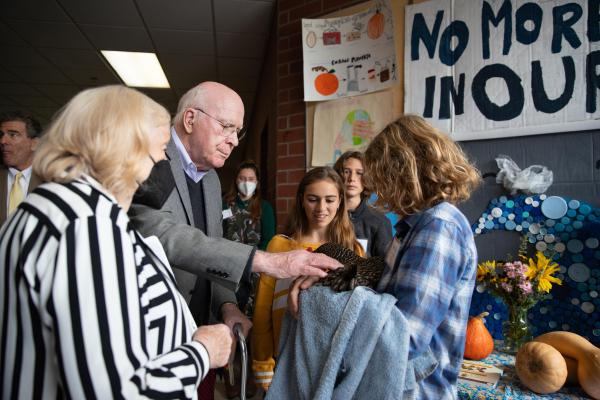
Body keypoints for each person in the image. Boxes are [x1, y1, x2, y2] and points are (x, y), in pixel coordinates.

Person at [0, 85, 233, 400]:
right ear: (124, 145)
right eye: (162, 148)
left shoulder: (45, 207)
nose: (164, 161)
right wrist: (203, 351)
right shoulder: (88, 224)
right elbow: (116, 392)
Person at [128, 82, 340, 397]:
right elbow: (165, 235)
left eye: (237, 132)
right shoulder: (150, 159)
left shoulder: (212, 180)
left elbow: (211, 248)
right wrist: (269, 261)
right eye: (226, 127)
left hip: (204, 336)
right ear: (190, 119)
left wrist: (227, 305)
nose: (232, 141)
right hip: (154, 337)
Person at [290, 115, 481, 398]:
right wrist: (340, 269)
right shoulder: (413, 226)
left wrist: (318, 309)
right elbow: (386, 285)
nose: (379, 189)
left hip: (416, 390)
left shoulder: (439, 228)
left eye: (382, 177)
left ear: (406, 171)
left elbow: (404, 337)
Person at [252, 167, 364, 391]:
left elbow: (359, 316)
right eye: (313, 199)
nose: (321, 208)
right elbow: (262, 310)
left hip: (332, 366)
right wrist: (263, 362)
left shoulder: (354, 250)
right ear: (301, 200)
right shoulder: (280, 245)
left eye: (330, 200)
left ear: (340, 201)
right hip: (283, 361)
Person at [221, 160, 275, 398]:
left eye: (251, 179)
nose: (246, 183)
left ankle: (251, 380)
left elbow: (269, 241)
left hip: (254, 275)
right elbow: (217, 236)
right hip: (227, 274)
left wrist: (254, 264)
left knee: (254, 325)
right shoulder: (225, 204)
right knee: (230, 326)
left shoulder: (264, 207)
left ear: (257, 182)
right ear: (236, 180)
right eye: (243, 178)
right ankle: (231, 379)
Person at [333, 150, 392, 257]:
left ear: (367, 178)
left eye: (359, 173)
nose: (352, 179)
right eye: (347, 172)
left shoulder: (380, 223)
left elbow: (385, 268)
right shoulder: (326, 216)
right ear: (338, 175)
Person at [0, 111, 43, 225]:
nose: (3, 141)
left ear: (34, 144)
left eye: (13, 135)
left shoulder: (51, 180)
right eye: (1, 135)